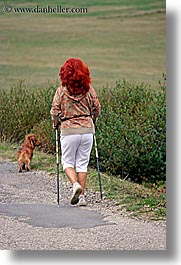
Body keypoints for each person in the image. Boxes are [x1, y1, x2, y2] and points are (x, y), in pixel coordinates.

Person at [50, 58, 101, 206]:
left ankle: (75, 185)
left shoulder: (61, 91)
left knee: (67, 163)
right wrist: (93, 120)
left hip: (68, 130)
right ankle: (82, 197)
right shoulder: (89, 90)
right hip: (87, 130)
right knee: (82, 164)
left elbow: (54, 111)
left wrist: (55, 123)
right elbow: (97, 108)